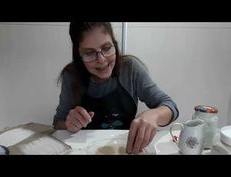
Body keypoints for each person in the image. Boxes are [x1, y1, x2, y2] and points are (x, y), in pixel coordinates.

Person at [53, 22, 179, 154]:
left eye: (107, 48)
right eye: (89, 53)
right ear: (78, 55)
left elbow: (170, 106)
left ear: (114, 44)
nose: (101, 60)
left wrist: (154, 116)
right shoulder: (71, 75)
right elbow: (57, 123)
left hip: (125, 148)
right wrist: (68, 124)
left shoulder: (130, 68)